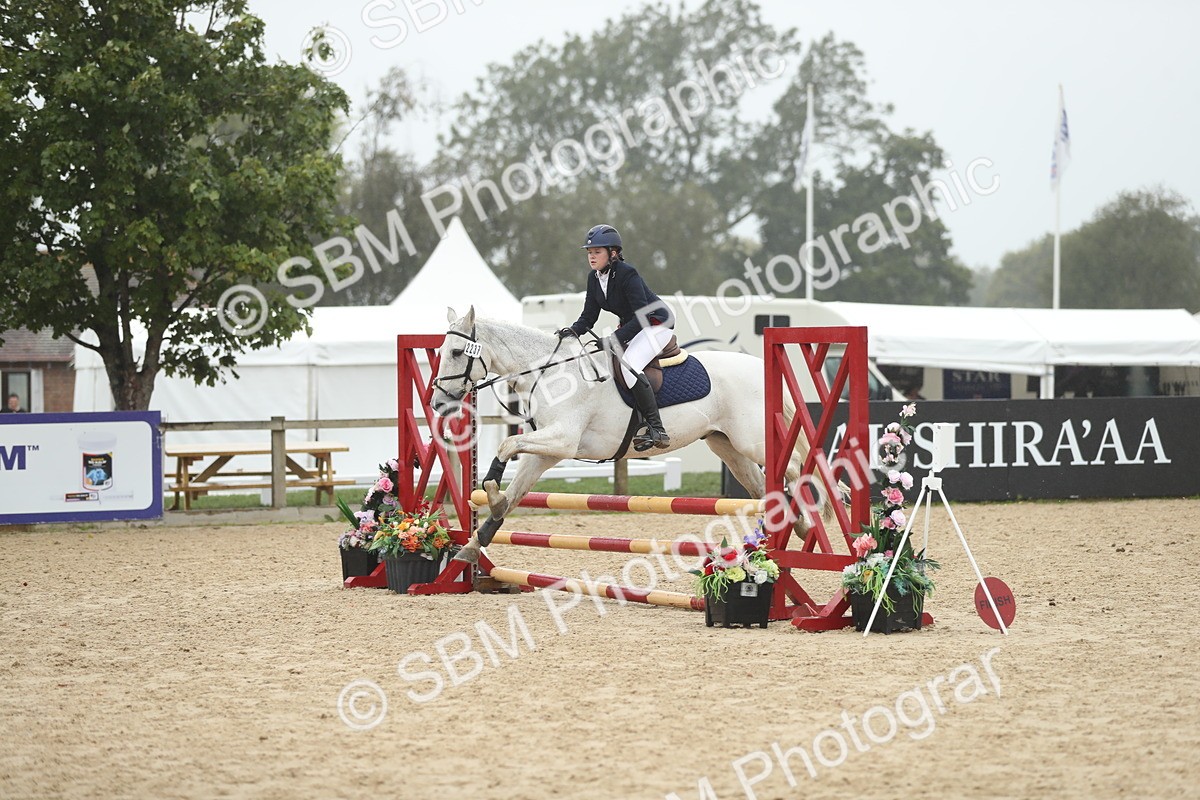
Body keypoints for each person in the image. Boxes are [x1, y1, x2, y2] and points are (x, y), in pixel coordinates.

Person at [557, 224, 674, 450]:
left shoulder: (627, 274)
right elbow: (589, 316)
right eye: (589, 253)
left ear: (613, 253)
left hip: (657, 322)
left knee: (629, 365)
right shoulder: (594, 278)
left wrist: (613, 339)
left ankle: (657, 429)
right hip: (635, 323)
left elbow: (643, 317)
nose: (591, 257)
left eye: (597, 252)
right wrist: (572, 331)